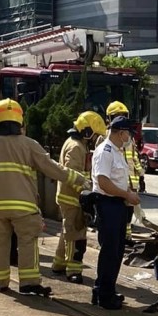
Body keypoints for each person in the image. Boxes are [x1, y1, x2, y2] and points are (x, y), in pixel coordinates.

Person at [0, 99, 88, 296]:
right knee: (27, 242)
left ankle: (0, 281)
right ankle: (29, 283)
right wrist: (79, 179)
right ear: (20, 121)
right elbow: (53, 169)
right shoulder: (29, 145)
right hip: (24, 208)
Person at [91, 114, 142, 310]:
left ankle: (106, 290)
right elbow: (103, 182)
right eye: (128, 133)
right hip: (108, 204)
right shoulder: (106, 151)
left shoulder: (117, 150)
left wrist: (127, 195)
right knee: (110, 251)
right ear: (121, 133)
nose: (130, 137)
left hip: (117, 204)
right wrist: (126, 195)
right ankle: (104, 294)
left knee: (116, 251)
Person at [53, 110, 106, 283]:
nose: (94, 139)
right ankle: (73, 269)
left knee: (67, 231)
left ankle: (58, 264)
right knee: (75, 234)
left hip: (71, 196)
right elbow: (72, 174)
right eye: (94, 135)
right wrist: (87, 190)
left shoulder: (77, 144)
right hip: (72, 197)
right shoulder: (76, 147)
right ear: (87, 131)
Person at [106, 100, 146, 194]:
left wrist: (141, 175)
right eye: (116, 116)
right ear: (109, 118)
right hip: (116, 187)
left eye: (123, 116)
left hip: (131, 186)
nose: (120, 119)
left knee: (135, 209)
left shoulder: (129, 137)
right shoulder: (105, 136)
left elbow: (134, 157)